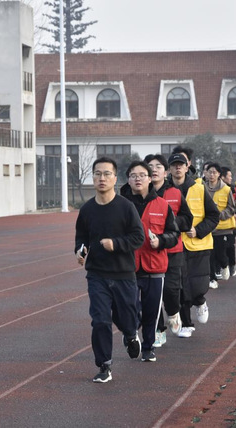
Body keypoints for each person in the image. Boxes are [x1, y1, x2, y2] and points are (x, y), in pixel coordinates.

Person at [74, 157, 145, 383]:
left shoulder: (126, 207)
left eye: (106, 174)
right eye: (97, 174)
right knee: (100, 320)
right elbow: (81, 237)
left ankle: (131, 334)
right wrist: (80, 251)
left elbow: (138, 237)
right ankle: (104, 365)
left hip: (123, 274)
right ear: (93, 177)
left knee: (127, 318)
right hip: (97, 275)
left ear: (115, 178)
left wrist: (116, 244)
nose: (101, 178)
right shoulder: (87, 210)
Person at [120, 161, 179, 363]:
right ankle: (130, 334)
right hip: (127, 267)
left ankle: (148, 348)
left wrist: (160, 241)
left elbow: (174, 234)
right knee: (129, 308)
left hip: (154, 266)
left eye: (142, 175)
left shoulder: (162, 205)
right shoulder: (120, 205)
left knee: (152, 311)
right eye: (133, 175)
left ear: (149, 179)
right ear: (128, 179)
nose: (138, 179)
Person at [168, 151, 219, 338]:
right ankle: (186, 324)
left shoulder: (199, 188)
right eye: (174, 165)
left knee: (198, 283)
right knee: (180, 285)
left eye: (181, 165)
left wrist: (198, 230)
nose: (178, 168)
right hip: (175, 245)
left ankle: (200, 300)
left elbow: (214, 216)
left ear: (187, 167)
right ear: (169, 169)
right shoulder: (164, 191)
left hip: (199, 244)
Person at [144, 154, 193, 346]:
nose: (154, 169)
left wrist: (167, 221)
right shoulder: (140, 195)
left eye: (158, 166)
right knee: (152, 296)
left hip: (172, 250)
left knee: (171, 291)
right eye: (150, 166)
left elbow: (187, 220)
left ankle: (173, 312)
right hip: (149, 252)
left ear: (165, 172)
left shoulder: (175, 193)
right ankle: (158, 331)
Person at [203, 163, 236, 289]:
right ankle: (212, 279)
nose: (211, 175)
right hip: (207, 227)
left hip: (222, 228)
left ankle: (225, 265)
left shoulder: (226, 189)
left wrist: (220, 215)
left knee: (220, 253)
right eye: (209, 172)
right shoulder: (202, 188)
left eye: (214, 172)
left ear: (219, 174)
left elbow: (231, 208)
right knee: (210, 255)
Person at [220, 166, 236, 277]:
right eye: (229, 176)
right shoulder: (211, 189)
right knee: (218, 248)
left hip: (230, 224)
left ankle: (232, 265)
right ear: (223, 177)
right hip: (216, 226)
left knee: (230, 246)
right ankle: (221, 267)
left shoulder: (232, 189)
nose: (231, 178)